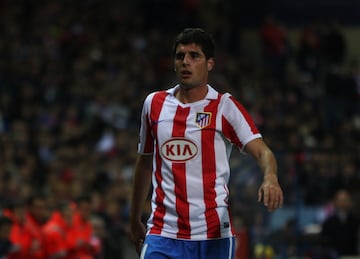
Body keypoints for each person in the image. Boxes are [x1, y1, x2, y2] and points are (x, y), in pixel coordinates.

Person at [129, 28, 284, 259]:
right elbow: (144, 162)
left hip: (213, 237)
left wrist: (270, 177)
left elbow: (263, 152)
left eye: (194, 56)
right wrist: (134, 219)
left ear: (209, 64)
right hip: (163, 233)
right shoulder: (154, 104)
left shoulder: (224, 107)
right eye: (180, 56)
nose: (185, 62)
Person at [320, 189, 359, 256]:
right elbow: (324, 243)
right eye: (340, 200)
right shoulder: (328, 222)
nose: (343, 203)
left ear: (349, 202)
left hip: (352, 255)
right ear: (335, 202)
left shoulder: (356, 221)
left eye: (345, 200)